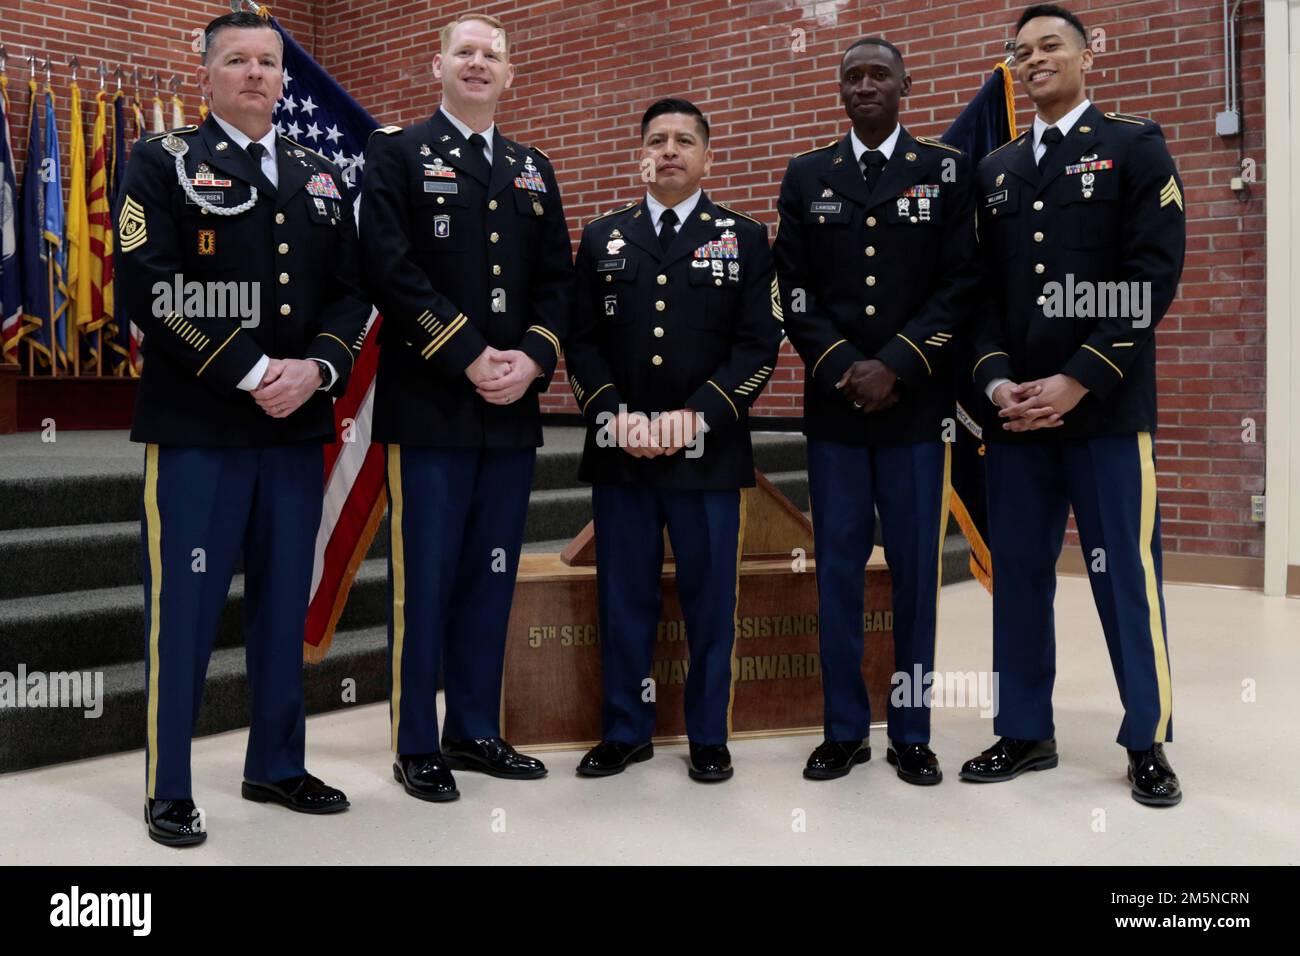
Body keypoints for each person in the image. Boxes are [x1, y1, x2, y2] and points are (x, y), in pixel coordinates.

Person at [115, 10, 369, 846]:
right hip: (200, 430)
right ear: (209, 74)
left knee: (279, 606)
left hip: (295, 432)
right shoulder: (163, 162)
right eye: (237, 60)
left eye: (268, 61)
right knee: (183, 611)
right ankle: (170, 785)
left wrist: (320, 370)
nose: (256, 74)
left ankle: (277, 763)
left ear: (282, 76)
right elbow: (150, 287)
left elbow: (353, 291)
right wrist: (256, 371)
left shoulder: (322, 174)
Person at [961, 3, 1186, 806]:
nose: (1032, 60)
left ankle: (1147, 740)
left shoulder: (1133, 146)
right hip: (1018, 416)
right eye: (1020, 52)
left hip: (1105, 411)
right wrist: (994, 383)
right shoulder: (996, 170)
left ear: (1089, 57)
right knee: (1021, 576)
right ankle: (1024, 730)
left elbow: (1150, 274)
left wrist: (1079, 378)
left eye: (1050, 45)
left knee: (1124, 574)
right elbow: (981, 296)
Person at [359, 13, 572, 802]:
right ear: (437, 66)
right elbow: (389, 265)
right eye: (465, 52)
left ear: (510, 75)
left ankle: (475, 728)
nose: (478, 64)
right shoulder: (398, 154)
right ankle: (417, 741)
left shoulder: (531, 168)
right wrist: (469, 352)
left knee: (492, 572)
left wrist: (536, 357)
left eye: (493, 55)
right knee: (427, 578)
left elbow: (559, 280)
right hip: (430, 406)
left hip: (511, 408)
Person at [774, 39, 979, 784]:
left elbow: (961, 283)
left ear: (905, 86)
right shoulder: (806, 175)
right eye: (853, 77)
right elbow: (793, 290)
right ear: (840, 90)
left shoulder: (945, 171)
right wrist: (841, 366)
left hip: (917, 411)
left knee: (917, 573)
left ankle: (912, 731)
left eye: (879, 75)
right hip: (835, 415)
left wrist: (895, 364)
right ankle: (842, 729)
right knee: (837, 571)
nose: (865, 86)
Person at [567, 98, 782, 782]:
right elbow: (582, 341)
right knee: (622, 596)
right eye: (657, 139)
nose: (669, 150)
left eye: (684, 140)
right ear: (640, 154)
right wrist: (613, 414)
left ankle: (707, 733)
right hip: (621, 449)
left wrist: (698, 417)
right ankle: (625, 730)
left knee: (710, 600)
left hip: (709, 452)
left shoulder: (744, 237)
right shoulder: (603, 236)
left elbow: (758, 346)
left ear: (706, 158)